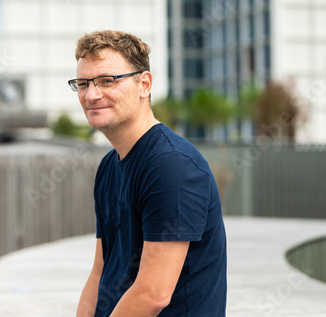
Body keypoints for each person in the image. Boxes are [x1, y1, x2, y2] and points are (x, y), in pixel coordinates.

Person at [68, 30, 227, 317]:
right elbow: (99, 272)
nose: (91, 94)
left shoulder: (172, 165)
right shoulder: (108, 166)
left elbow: (153, 294)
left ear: (144, 84)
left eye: (107, 80)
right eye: (82, 83)